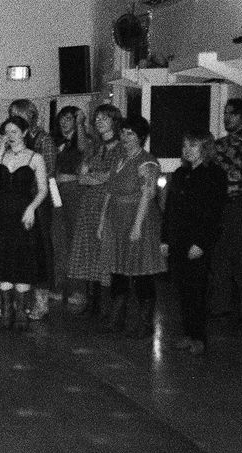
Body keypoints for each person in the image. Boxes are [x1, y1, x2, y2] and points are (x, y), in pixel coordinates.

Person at [97, 115, 165, 338]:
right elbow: (109, 190)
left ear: (141, 137)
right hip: (117, 217)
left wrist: (137, 225)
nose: (125, 137)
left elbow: (148, 194)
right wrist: (102, 220)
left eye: (130, 134)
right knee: (118, 268)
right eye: (123, 133)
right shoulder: (119, 157)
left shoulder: (147, 162)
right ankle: (117, 316)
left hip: (139, 218)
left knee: (141, 270)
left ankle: (145, 322)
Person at [0, 116, 49, 332]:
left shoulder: (35, 157)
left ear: (25, 132)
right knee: (3, 260)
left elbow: (43, 189)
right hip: (1, 212)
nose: (10, 136)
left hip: (23, 212)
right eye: (7, 132)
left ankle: (20, 310)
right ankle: (6, 309)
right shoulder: (2, 156)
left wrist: (31, 208)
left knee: (22, 261)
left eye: (14, 131)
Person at [163, 130, 227, 355]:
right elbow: (170, 207)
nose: (187, 150)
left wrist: (201, 242)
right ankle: (188, 332)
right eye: (185, 145)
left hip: (198, 240)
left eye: (193, 145)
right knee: (182, 288)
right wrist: (165, 239)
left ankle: (199, 336)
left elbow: (213, 212)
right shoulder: (180, 173)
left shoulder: (214, 174)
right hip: (179, 238)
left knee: (197, 289)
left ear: (205, 148)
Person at [209, 98, 242, 323]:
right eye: (225, 113)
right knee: (220, 255)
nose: (226, 117)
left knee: (240, 256)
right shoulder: (221, 143)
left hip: (239, 204)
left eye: (232, 113)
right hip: (221, 204)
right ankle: (221, 304)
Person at [67, 105, 122, 319]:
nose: (99, 122)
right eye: (97, 118)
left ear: (114, 121)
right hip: (90, 202)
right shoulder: (94, 147)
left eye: (104, 118)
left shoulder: (120, 148)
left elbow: (113, 176)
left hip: (109, 203)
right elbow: (81, 175)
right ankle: (92, 302)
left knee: (105, 252)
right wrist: (96, 176)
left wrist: (96, 176)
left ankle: (106, 307)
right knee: (89, 251)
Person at [8, 99, 59, 319]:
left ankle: (41, 301)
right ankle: (20, 301)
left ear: (30, 116)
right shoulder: (15, 138)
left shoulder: (43, 139)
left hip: (37, 202)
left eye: (17, 114)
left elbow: (47, 175)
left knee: (41, 251)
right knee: (20, 252)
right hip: (17, 201)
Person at [53, 106, 90, 312]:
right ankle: (61, 286)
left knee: (76, 238)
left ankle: (79, 289)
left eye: (69, 119)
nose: (65, 122)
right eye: (63, 119)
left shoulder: (83, 139)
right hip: (56, 189)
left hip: (74, 190)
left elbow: (84, 150)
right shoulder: (57, 141)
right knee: (58, 238)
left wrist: (80, 124)